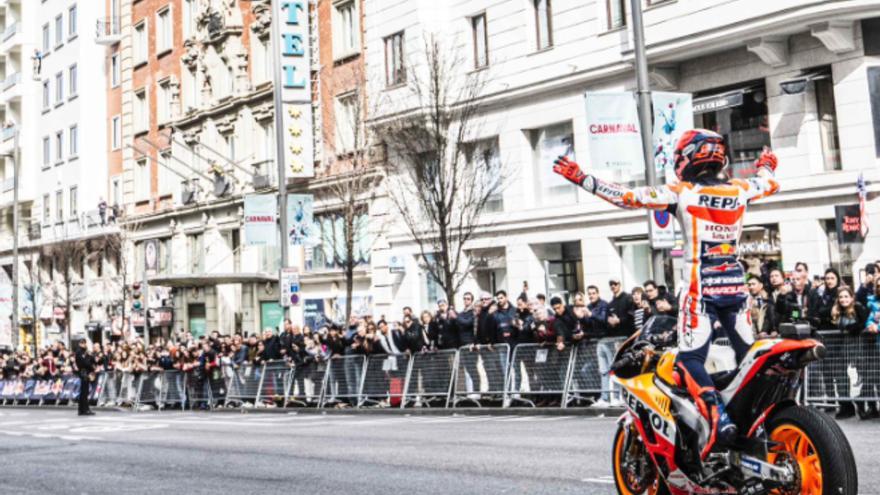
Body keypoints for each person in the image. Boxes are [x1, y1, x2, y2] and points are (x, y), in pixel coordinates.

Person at [554, 129, 780, 445]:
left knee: (690, 362)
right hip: (736, 287)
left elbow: (626, 197)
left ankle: (721, 420)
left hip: (700, 290)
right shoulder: (741, 189)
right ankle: (763, 421)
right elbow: (770, 182)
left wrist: (582, 179)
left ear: (688, 158)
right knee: (749, 357)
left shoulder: (682, 192)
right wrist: (766, 164)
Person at [831, 286, 869, 419]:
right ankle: (846, 406)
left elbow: (864, 322)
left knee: (863, 377)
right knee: (841, 377)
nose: (843, 299)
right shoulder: (836, 311)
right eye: (841, 297)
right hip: (843, 348)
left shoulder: (857, 308)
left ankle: (863, 404)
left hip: (858, 347)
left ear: (852, 297)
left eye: (846, 296)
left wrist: (853, 328)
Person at [74, 338, 96, 416]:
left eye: (85, 343)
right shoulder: (79, 352)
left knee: (85, 392)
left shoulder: (85, 351)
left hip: (86, 371)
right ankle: (84, 409)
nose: (84, 344)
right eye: (82, 343)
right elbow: (84, 363)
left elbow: (93, 360)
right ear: (80, 343)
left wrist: (90, 356)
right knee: (84, 392)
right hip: (83, 372)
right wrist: (92, 367)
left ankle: (82, 409)